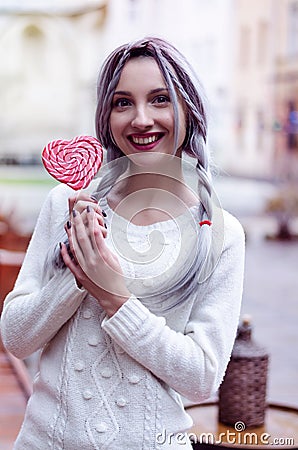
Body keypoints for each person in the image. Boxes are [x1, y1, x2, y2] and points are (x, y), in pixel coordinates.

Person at [0, 37, 245, 449]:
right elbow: (16, 338)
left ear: (188, 108)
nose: (141, 119)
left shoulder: (218, 233)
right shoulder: (67, 203)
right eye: (122, 102)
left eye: (160, 99)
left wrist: (115, 296)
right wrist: (75, 275)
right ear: (106, 115)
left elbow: (202, 377)